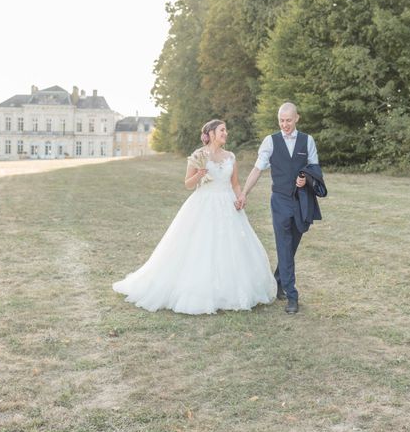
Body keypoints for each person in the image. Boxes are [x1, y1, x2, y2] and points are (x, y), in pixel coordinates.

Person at [113, 119, 276, 315]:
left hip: (227, 204)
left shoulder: (230, 156)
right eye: (222, 130)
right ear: (211, 134)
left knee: (230, 247)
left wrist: (240, 197)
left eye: (226, 130)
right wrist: (199, 174)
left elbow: (234, 184)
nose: (226, 133)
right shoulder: (198, 156)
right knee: (201, 246)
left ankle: (229, 290)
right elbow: (188, 184)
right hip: (203, 204)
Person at [235, 102, 322, 314]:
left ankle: (278, 281)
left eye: (289, 120)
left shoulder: (307, 141)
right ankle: (292, 296)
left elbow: (315, 169)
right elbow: (257, 169)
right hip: (280, 200)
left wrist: (306, 180)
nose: (285, 125)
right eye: (281, 121)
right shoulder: (270, 141)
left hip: (302, 200)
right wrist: (244, 192)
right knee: (284, 245)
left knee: (292, 243)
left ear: (297, 118)